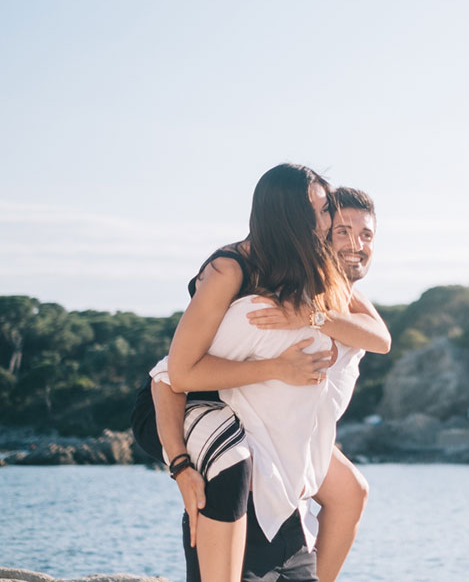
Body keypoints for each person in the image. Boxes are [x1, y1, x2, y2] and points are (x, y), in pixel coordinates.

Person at [131, 172, 384, 581]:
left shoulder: (310, 273)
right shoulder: (231, 273)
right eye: (326, 215)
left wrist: (316, 317)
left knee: (348, 490)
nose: (334, 229)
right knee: (234, 462)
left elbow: (380, 337)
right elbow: (173, 374)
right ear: (293, 218)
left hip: (242, 397)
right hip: (187, 399)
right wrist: (180, 466)